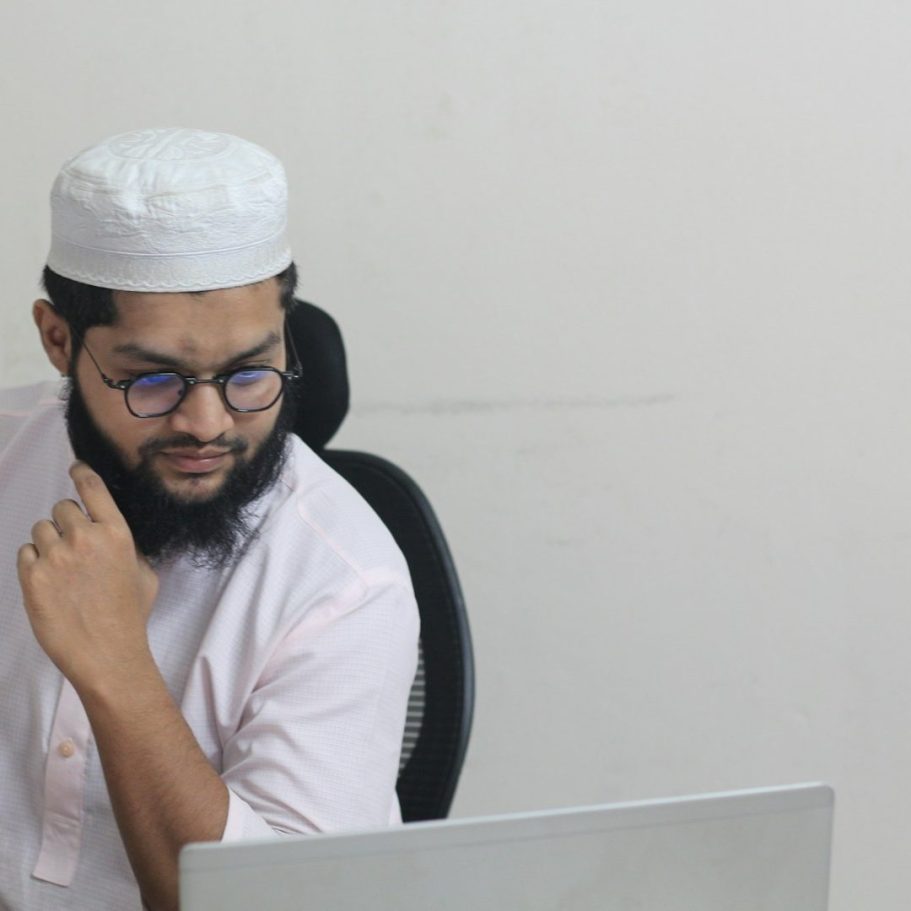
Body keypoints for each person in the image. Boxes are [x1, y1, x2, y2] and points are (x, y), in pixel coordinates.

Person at [0, 128, 419, 911]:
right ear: (58, 340)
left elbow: (280, 903)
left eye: (248, 373)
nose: (206, 423)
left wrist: (117, 664)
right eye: (152, 379)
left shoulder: (347, 580)